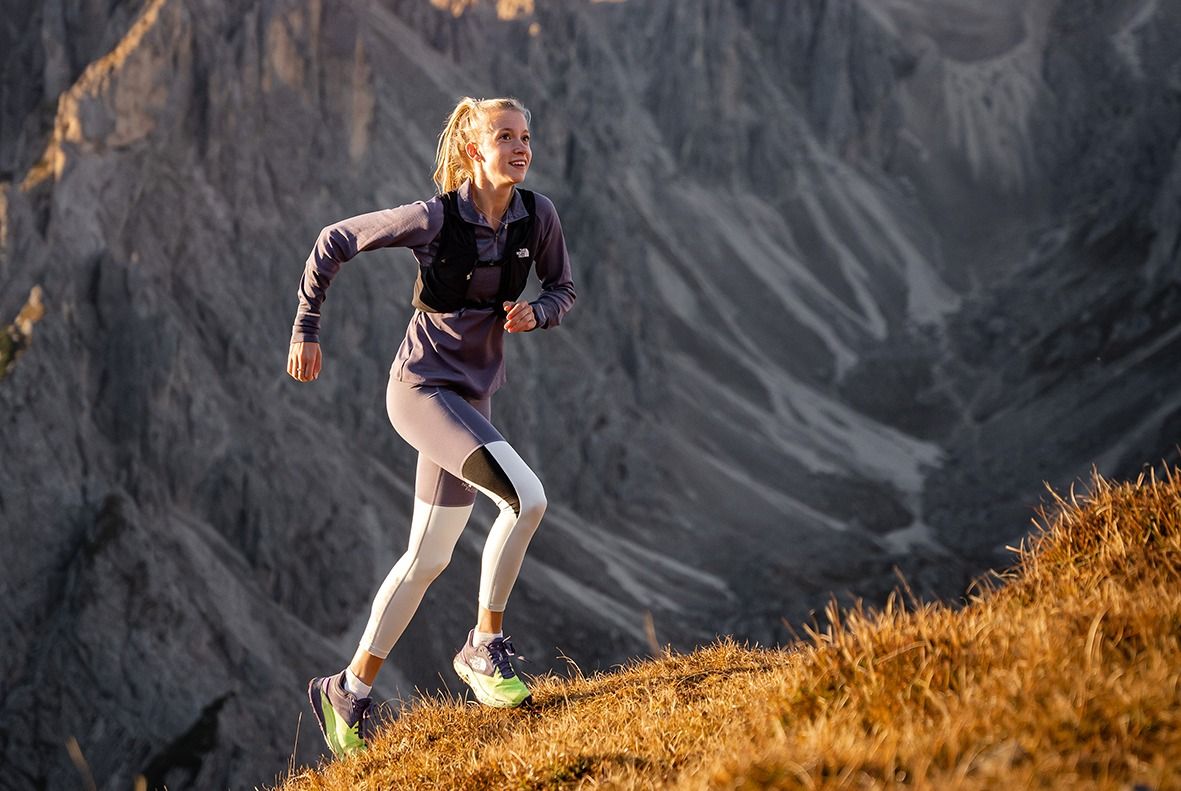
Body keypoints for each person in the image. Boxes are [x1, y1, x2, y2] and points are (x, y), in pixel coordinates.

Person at [287, 96, 576, 759]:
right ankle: (483, 646)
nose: (519, 145)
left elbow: (562, 288)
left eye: (525, 135)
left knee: (427, 557)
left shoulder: (538, 215)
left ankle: (347, 690)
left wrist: (539, 312)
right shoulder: (434, 218)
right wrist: (307, 326)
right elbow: (333, 240)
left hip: (470, 401)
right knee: (526, 498)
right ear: (473, 149)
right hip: (420, 391)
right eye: (503, 135)